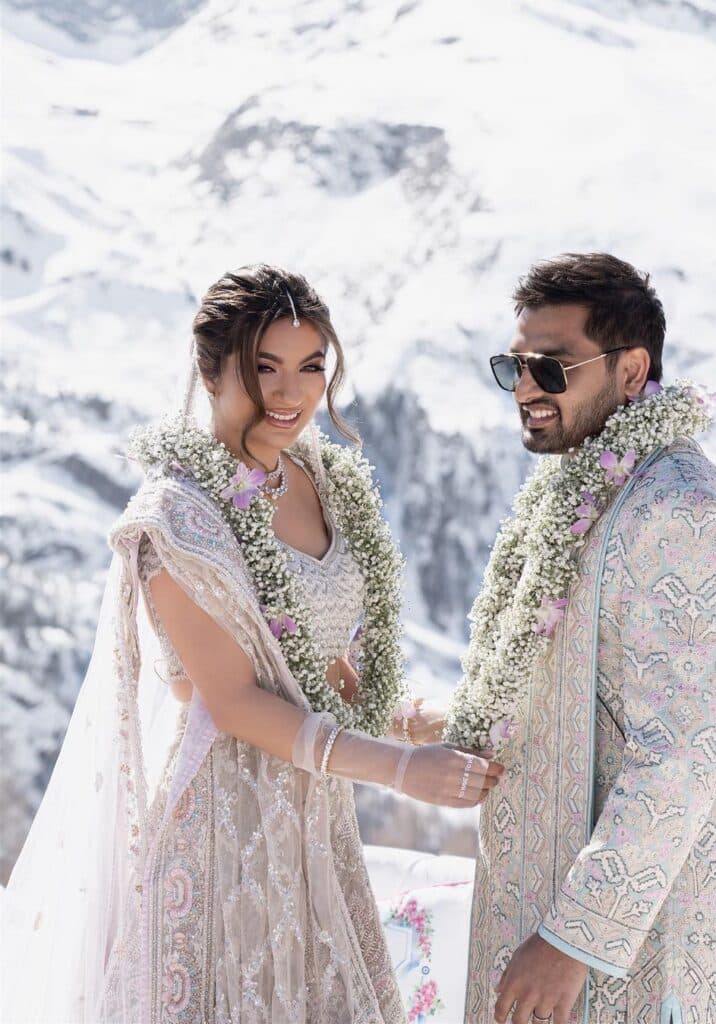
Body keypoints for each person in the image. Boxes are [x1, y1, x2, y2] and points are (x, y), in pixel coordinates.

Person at [1, 264, 502, 1023]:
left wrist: (416, 720)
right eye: (264, 367)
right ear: (210, 372)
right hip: (223, 824)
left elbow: (323, 670)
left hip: (317, 820)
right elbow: (233, 701)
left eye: (311, 367)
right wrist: (402, 772)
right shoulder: (177, 519)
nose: (290, 393)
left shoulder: (317, 478)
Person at [442, 254, 716, 1024]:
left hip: (628, 962)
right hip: (533, 916)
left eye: (551, 367)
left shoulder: (680, 507)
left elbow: (682, 748)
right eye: (513, 367)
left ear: (632, 370)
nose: (526, 389)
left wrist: (574, 940)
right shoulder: (580, 491)